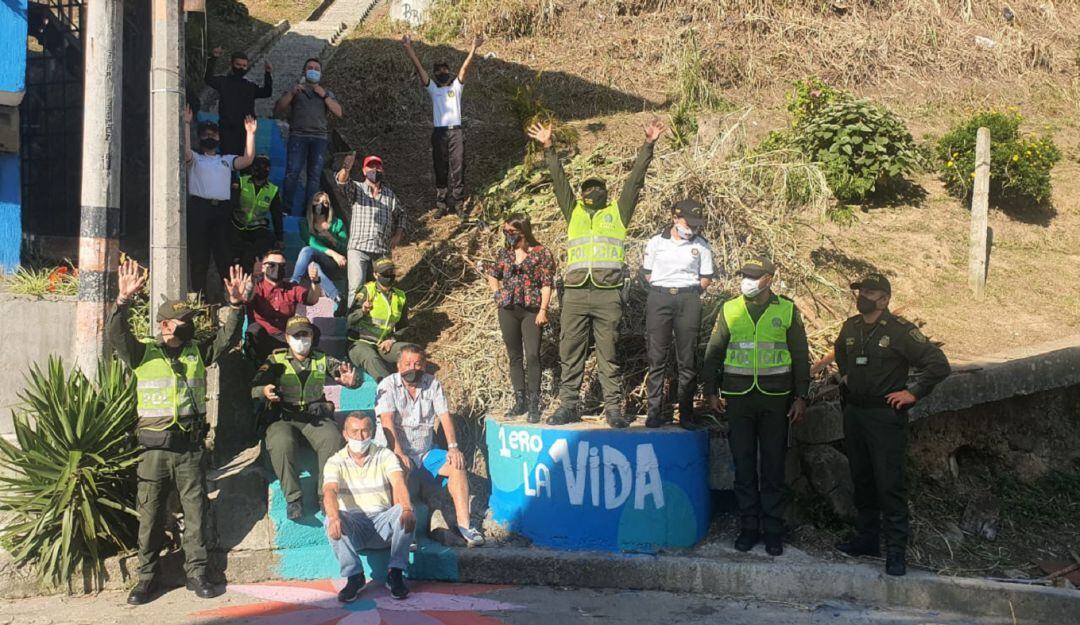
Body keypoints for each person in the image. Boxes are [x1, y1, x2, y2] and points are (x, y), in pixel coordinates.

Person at [108, 259, 249, 605]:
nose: (187, 327)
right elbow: (116, 335)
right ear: (165, 324)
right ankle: (147, 578)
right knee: (152, 514)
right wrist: (122, 302)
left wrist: (235, 305)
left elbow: (228, 337)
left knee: (197, 511)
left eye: (190, 322)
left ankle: (197, 573)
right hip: (153, 450)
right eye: (181, 321)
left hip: (189, 448)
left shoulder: (196, 352)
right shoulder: (142, 352)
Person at [526, 118, 663, 428]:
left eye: (596, 187)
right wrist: (549, 148)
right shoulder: (572, 211)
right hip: (574, 293)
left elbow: (636, 181)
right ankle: (569, 405)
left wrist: (648, 145)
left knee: (608, 353)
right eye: (587, 188)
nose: (591, 191)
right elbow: (558, 178)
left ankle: (614, 409)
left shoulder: (618, 211)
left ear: (605, 191)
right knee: (569, 352)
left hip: (608, 294)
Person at [833, 273, 950, 577]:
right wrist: (846, 375)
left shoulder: (900, 331)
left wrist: (913, 392)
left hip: (884, 417)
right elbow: (841, 352)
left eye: (870, 292)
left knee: (889, 483)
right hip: (855, 413)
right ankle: (867, 539)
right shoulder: (851, 327)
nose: (863, 297)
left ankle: (896, 551)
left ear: (884, 299)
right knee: (862, 478)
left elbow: (937, 364)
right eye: (860, 291)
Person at [701, 256, 810, 557]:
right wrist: (710, 390)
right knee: (744, 463)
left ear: (769, 279)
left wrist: (802, 396)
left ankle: (773, 529)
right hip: (739, 398)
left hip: (777, 399)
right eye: (744, 275)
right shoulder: (730, 308)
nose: (746, 280)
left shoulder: (786, 310)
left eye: (753, 275)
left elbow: (801, 356)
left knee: (774, 465)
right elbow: (714, 351)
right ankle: (749, 527)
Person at [252, 316, 360, 520]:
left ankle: (325, 496)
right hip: (283, 417)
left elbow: (345, 374)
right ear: (287, 337)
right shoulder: (276, 359)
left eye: (306, 334)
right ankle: (294, 499)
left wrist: (351, 381)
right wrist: (263, 390)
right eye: (296, 335)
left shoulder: (322, 358)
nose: (302, 339)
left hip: (314, 418)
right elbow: (254, 386)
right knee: (280, 442)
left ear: (312, 336)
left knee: (332, 438)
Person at [376, 346, 484, 547]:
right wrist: (398, 452)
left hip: (424, 451)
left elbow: (444, 416)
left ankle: (465, 526)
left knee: (456, 464)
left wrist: (453, 446)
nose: (412, 368)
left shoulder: (432, 384)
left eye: (417, 364)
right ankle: (405, 531)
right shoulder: (388, 385)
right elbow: (387, 421)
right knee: (397, 468)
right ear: (398, 365)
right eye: (407, 364)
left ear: (424, 365)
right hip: (394, 449)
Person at [324, 413, 414, 602]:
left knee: (404, 512)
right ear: (345, 434)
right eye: (354, 431)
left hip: (382, 522)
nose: (360, 436)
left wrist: (406, 508)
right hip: (355, 525)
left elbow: (398, 482)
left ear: (372, 432)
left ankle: (395, 573)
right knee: (330, 518)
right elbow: (330, 491)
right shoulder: (335, 461)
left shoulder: (385, 455)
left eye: (365, 430)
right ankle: (354, 576)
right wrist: (334, 517)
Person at [642, 199, 714, 429]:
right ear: (675, 218)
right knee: (657, 357)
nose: (691, 228)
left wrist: (687, 293)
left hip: (688, 299)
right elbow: (647, 273)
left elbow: (706, 278)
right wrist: (665, 290)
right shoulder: (656, 242)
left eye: (695, 224)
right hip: (660, 297)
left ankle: (686, 414)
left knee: (687, 359)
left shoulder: (701, 245)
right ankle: (654, 412)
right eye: (688, 222)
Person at [483, 213, 555, 423]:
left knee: (532, 354)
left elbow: (547, 283)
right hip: (508, 308)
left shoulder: (541, 253)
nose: (508, 235)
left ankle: (534, 403)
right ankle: (519, 400)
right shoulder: (504, 253)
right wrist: (497, 294)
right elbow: (493, 273)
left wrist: (543, 309)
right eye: (505, 231)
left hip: (531, 309)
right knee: (514, 355)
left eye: (512, 232)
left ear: (523, 231)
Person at [401, 34, 482, 217]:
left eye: (444, 70)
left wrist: (473, 48)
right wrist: (409, 48)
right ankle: (442, 203)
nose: (442, 73)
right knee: (440, 167)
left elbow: (464, 69)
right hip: (439, 133)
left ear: (449, 72)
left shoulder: (456, 88)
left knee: (458, 166)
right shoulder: (434, 90)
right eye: (438, 71)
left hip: (456, 132)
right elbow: (420, 69)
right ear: (435, 75)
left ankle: (459, 203)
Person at [184, 105, 256, 298]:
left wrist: (250, 134)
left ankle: (230, 297)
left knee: (224, 256)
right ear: (199, 138)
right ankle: (199, 301)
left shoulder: (226, 160)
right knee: (199, 257)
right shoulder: (196, 159)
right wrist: (185, 124)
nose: (210, 137)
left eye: (213, 135)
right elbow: (185, 153)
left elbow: (247, 160)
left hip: (222, 211)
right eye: (206, 135)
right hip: (199, 209)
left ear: (219, 138)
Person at [274, 57, 343, 215]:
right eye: (310, 67)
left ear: (320, 73)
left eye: (317, 69)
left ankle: (309, 212)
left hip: (319, 139)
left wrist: (324, 96)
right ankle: (286, 209)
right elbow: (278, 109)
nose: (313, 70)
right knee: (292, 172)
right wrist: (291, 93)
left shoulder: (326, 93)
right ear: (304, 71)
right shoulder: (296, 91)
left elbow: (339, 112)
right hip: (298, 136)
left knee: (314, 176)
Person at [335, 152, 406, 305]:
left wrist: (398, 234)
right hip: (358, 248)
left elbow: (401, 214)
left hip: (381, 249)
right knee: (356, 287)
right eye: (370, 167)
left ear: (383, 170)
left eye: (378, 167)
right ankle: (353, 323)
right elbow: (341, 183)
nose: (374, 170)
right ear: (363, 171)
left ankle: (378, 323)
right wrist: (346, 168)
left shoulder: (389, 195)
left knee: (384, 287)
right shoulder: (357, 188)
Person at [246, 249, 322, 362]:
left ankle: (305, 366)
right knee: (254, 331)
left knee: (313, 331)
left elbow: (311, 299)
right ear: (263, 267)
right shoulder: (257, 288)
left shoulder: (292, 288)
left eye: (281, 265)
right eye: (272, 264)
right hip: (264, 337)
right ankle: (256, 372)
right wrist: (251, 280)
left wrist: (315, 282)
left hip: (287, 336)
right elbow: (246, 297)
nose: (277, 268)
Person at [347, 258, 412, 382]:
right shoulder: (367, 291)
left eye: (391, 272)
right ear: (375, 275)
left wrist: (392, 339)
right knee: (372, 359)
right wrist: (362, 311)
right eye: (384, 273)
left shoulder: (400, 296)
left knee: (411, 352)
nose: (389, 276)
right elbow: (349, 320)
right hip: (359, 343)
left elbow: (403, 326)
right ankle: (391, 391)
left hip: (383, 345)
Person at [204, 47, 273, 156]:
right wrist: (213, 58)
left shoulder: (249, 86)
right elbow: (208, 79)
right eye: (238, 65)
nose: (241, 68)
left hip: (245, 130)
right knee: (227, 161)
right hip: (227, 129)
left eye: (244, 66)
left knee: (245, 162)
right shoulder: (224, 82)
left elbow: (266, 92)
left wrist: (268, 74)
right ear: (231, 65)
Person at [291, 191, 348, 313]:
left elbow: (345, 248)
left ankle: (293, 284)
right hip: (311, 268)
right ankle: (338, 297)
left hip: (333, 265)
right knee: (311, 260)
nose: (320, 205)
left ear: (329, 206)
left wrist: (331, 238)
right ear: (311, 203)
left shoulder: (337, 224)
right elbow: (311, 242)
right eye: (317, 201)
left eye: (325, 202)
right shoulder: (304, 223)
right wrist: (333, 253)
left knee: (308, 254)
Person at [230, 154, 284, 271]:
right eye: (258, 166)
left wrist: (280, 238)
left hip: (258, 227)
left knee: (266, 242)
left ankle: (250, 269)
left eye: (265, 167)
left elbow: (276, 215)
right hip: (237, 225)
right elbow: (232, 203)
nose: (262, 169)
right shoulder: (241, 182)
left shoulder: (273, 190)